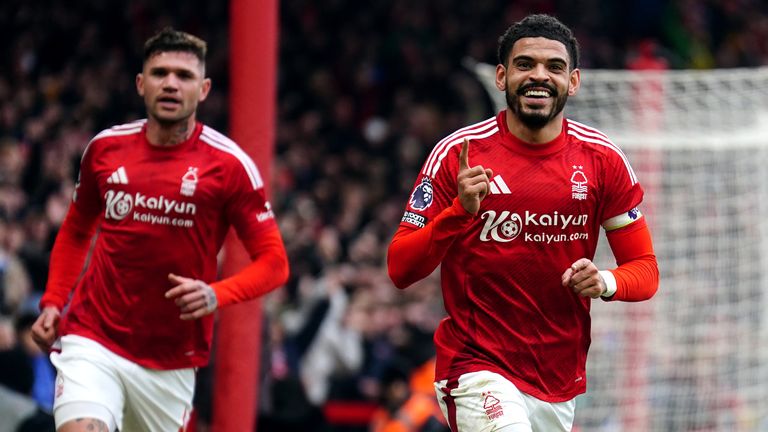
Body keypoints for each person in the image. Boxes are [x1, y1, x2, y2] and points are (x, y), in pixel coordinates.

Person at [387, 14, 659, 432]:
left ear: (573, 81)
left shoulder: (602, 161)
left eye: (554, 67)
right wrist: (458, 212)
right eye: (525, 64)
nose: (539, 76)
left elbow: (646, 271)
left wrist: (604, 281)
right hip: (476, 365)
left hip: (557, 377)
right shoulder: (458, 154)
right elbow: (400, 269)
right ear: (501, 76)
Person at [30, 28, 289, 432]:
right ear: (141, 84)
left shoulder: (230, 166)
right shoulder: (105, 149)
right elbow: (77, 229)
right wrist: (52, 301)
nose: (170, 83)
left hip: (171, 359)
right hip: (93, 335)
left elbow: (274, 262)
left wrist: (215, 294)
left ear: (203, 89)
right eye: (160, 73)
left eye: (183, 76)